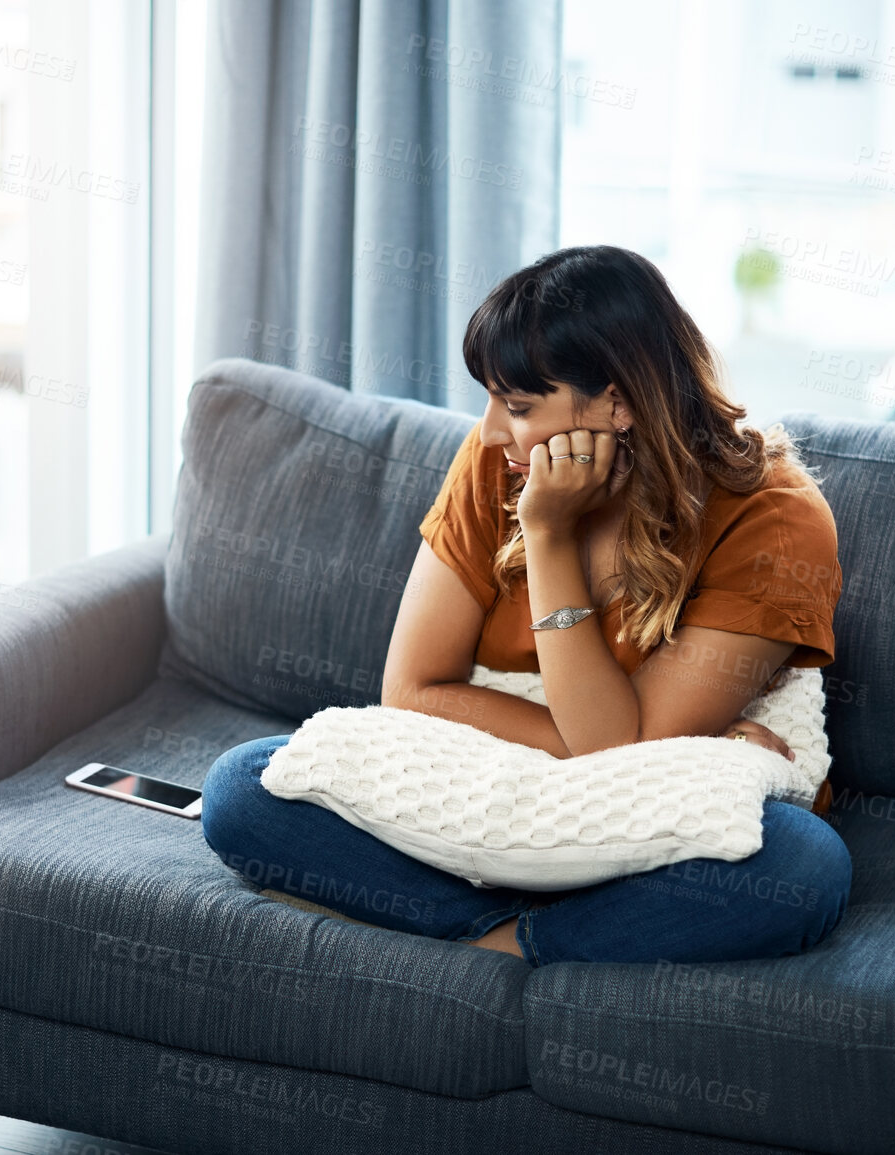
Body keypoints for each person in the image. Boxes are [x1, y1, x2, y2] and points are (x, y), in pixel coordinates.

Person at [200, 245, 853, 967]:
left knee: (802, 867)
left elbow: (616, 756)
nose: (487, 434)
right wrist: (675, 736)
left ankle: (496, 939)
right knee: (242, 785)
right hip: (495, 795)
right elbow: (410, 690)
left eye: (516, 406)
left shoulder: (774, 517)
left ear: (619, 401)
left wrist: (545, 536)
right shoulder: (494, 465)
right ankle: (555, 929)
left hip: (638, 819)